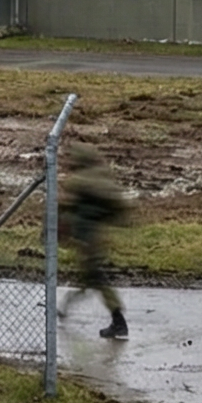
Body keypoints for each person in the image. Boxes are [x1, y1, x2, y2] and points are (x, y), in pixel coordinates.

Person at [60, 143, 130, 339]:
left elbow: (67, 207)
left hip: (88, 239)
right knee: (89, 279)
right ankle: (64, 308)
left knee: (96, 279)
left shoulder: (80, 182)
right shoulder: (100, 178)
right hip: (96, 236)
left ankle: (119, 321)